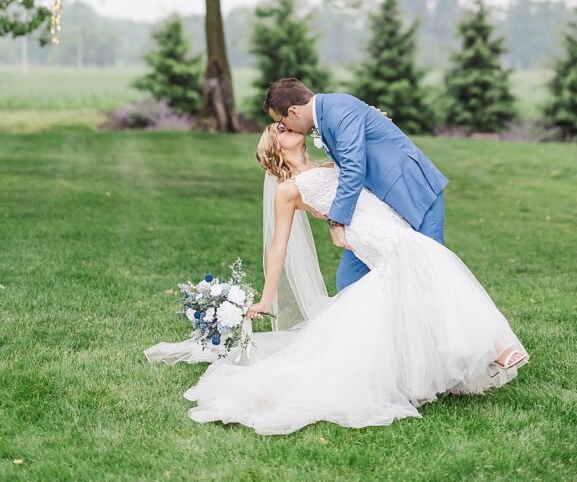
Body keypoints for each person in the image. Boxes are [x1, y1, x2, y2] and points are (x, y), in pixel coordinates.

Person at [145, 120, 528, 434]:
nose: (290, 127)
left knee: (416, 289)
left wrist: (377, 122)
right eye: (281, 127)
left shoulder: (328, 166)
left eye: (289, 122)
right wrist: (265, 296)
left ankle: (454, 372)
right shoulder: (288, 190)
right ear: (275, 145)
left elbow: (360, 164)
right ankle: (497, 351)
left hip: (385, 222)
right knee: (432, 266)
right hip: (375, 236)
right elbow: (278, 247)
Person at [263, 79, 449, 292]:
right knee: (349, 282)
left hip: (413, 191)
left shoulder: (338, 110)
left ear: (294, 111)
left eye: (281, 122)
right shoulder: (327, 114)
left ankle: (439, 324)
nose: (284, 127)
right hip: (376, 211)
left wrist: (336, 222)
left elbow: (353, 169)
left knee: (428, 272)